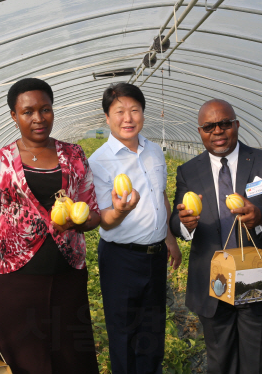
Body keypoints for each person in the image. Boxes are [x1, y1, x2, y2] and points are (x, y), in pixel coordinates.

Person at [0, 78, 101, 374]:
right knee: (24, 362)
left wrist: (78, 223)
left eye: (45, 109)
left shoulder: (74, 154)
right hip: (13, 283)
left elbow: (92, 212)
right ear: (14, 116)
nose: (39, 118)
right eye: (28, 112)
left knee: (71, 358)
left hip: (67, 278)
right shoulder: (0, 160)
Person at [169, 99, 262, 374]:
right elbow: (175, 219)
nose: (218, 131)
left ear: (236, 125)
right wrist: (185, 223)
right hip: (214, 279)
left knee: (259, 363)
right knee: (220, 362)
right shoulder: (189, 171)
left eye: (224, 123)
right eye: (209, 126)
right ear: (200, 132)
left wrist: (261, 216)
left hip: (256, 274)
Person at [88, 82, 182, 374]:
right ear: (107, 117)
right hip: (121, 258)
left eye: (134, 110)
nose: (127, 118)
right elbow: (103, 218)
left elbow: (160, 197)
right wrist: (119, 211)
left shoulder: (153, 150)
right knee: (124, 331)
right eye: (119, 112)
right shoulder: (99, 161)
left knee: (153, 330)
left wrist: (169, 238)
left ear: (143, 113)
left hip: (155, 256)